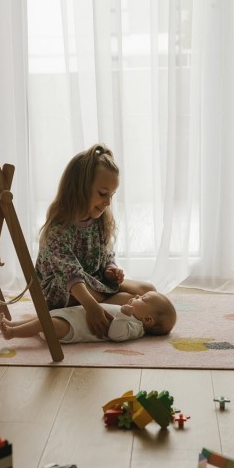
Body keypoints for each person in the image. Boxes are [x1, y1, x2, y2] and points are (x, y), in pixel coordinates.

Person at [35, 143, 156, 338]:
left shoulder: (100, 220)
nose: (108, 202)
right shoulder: (58, 228)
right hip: (65, 290)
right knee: (134, 302)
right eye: (102, 194)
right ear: (78, 189)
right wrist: (91, 307)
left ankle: (117, 310)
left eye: (112, 195)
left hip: (94, 282)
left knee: (148, 291)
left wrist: (110, 269)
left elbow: (106, 254)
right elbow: (70, 275)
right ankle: (113, 312)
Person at [0, 291, 177, 343]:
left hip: (74, 328)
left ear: (147, 320)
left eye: (142, 298)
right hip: (73, 316)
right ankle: (15, 323)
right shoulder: (133, 316)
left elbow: (116, 334)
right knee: (42, 318)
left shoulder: (135, 328)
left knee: (44, 323)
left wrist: (123, 315)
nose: (137, 296)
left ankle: (13, 333)